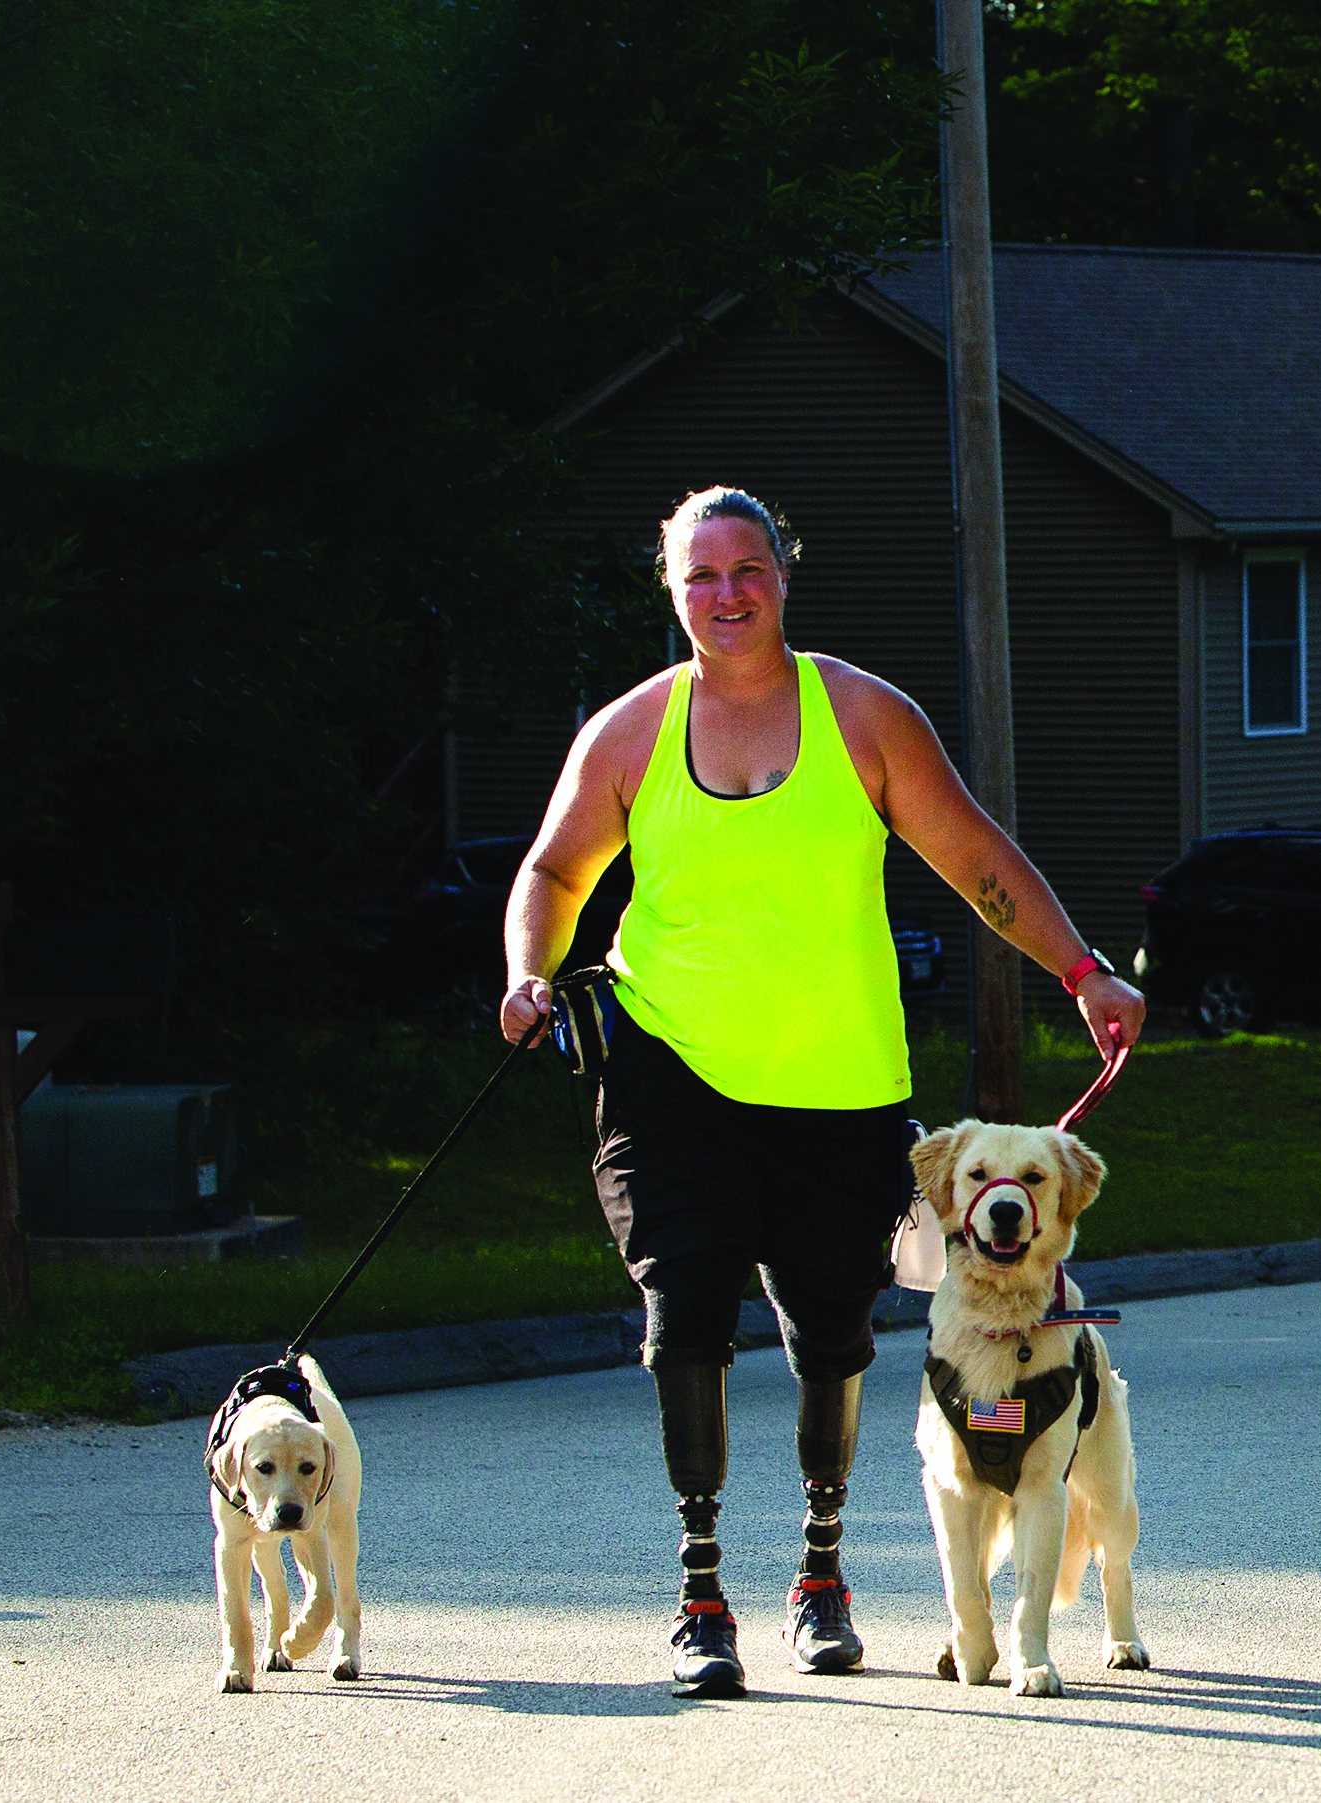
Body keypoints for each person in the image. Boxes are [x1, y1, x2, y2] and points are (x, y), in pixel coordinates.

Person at [500, 485, 1144, 1699]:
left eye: (748, 569)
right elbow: (552, 867)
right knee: (682, 1315)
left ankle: (822, 1571)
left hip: (842, 1092)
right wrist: (528, 977)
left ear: (784, 577)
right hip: (667, 1070)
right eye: (702, 576)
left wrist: (1082, 968)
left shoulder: (865, 719)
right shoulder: (632, 732)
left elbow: (974, 857)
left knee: (833, 1334)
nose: (727, 594)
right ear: (672, 591)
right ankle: (701, 1591)